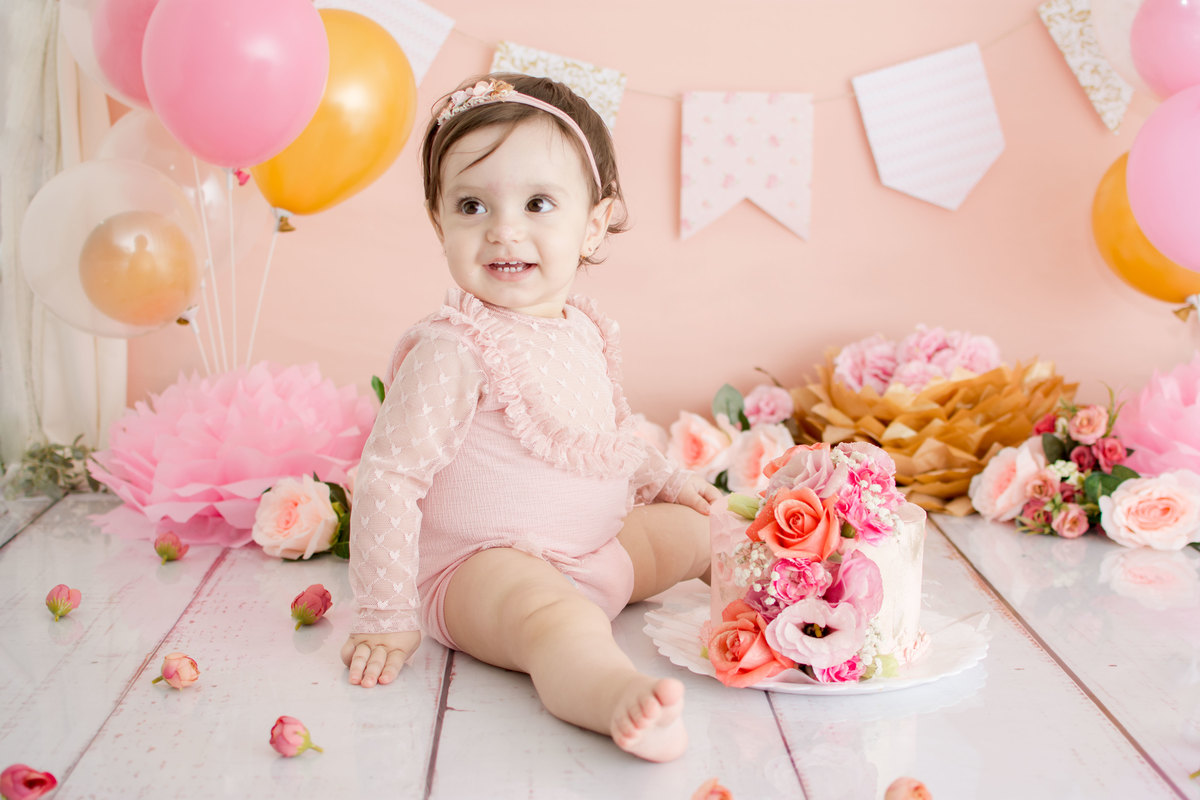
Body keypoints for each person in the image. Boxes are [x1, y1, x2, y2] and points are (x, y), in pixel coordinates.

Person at [340, 72, 718, 762]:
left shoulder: (584, 330)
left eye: (538, 203)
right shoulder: (452, 347)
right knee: (558, 620)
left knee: (700, 532)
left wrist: (661, 477)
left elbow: (599, 431)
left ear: (594, 223)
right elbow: (388, 478)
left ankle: (785, 594)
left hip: (595, 546)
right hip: (481, 572)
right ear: (439, 221)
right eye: (472, 205)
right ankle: (612, 693)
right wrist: (385, 616)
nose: (504, 231)